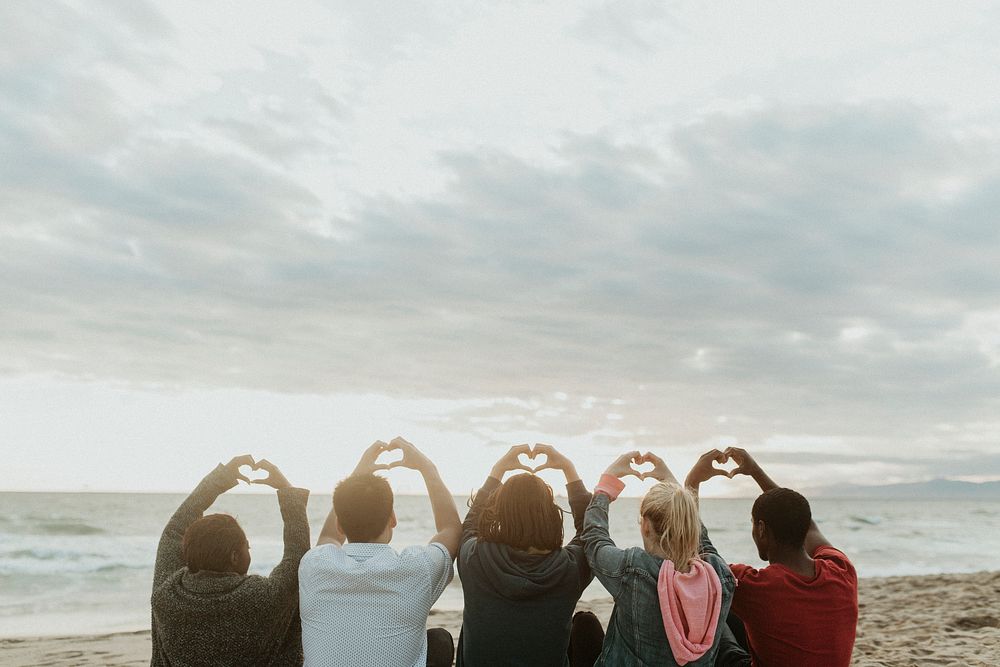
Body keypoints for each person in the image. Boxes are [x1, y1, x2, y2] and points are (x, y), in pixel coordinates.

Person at [298, 437, 462, 667]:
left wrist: (358, 474)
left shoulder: (314, 564)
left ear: (340, 525)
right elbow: (452, 529)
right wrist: (427, 468)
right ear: (393, 519)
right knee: (439, 640)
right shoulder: (416, 569)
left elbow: (329, 538)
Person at [150, 455, 310, 666]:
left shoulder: (167, 595)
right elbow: (296, 555)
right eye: (247, 547)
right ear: (235, 556)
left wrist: (219, 480)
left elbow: (174, 530)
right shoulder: (264, 597)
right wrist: (285, 489)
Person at [581, 450, 736, 666]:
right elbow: (702, 541)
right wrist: (670, 481)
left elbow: (594, 540)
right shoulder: (719, 575)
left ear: (645, 526)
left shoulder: (633, 570)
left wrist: (606, 484)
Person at [456, 443, 602, 667]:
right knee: (585, 624)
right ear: (550, 514)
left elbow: (469, 526)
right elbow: (588, 532)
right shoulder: (570, 568)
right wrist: (568, 469)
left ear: (498, 514)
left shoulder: (476, 558)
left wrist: (498, 470)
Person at [712, 447, 859, 667]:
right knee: (740, 615)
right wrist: (754, 471)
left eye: (752, 525)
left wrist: (691, 484)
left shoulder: (757, 587)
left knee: (717, 617)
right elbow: (808, 526)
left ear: (761, 529)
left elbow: (699, 557)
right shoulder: (842, 570)